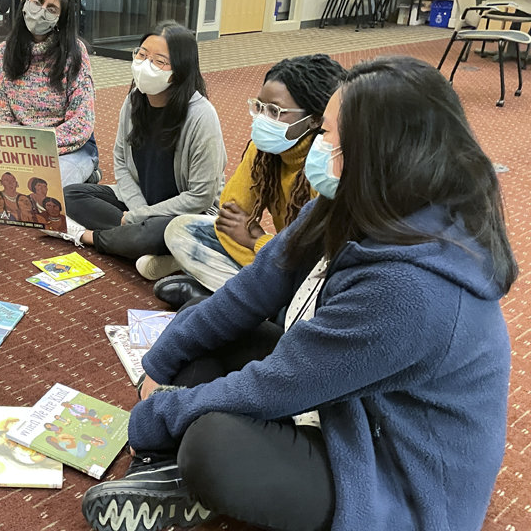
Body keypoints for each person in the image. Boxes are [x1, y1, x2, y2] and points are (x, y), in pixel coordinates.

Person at [81, 57, 515, 531]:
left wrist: (157, 414)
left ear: (379, 153)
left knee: (213, 444)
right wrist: (159, 365)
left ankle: (178, 473)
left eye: (329, 135)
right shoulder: (345, 202)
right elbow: (248, 291)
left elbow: (278, 384)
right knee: (205, 331)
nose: (318, 146)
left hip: (396, 477)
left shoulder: (412, 289)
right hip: (350, 405)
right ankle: (172, 475)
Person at [156, 55, 346, 308]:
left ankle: (247, 302)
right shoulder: (267, 151)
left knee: (313, 284)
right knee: (182, 230)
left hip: (311, 268)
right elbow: (231, 210)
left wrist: (257, 240)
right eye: (259, 107)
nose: (262, 119)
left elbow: (315, 255)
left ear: (313, 119)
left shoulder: (325, 164)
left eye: (274, 111)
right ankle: (258, 302)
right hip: (281, 257)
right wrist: (260, 147)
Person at [48, 21, 226, 281]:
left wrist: (139, 217)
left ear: (179, 70)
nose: (145, 64)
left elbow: (200, 196)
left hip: (184, 213)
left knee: (155, 232)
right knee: (70, 194)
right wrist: (137, 211)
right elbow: (120, 161)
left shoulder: (201, 116)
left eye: (159, 61)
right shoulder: (134, 101)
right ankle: (165, 253)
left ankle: (88, 237)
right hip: (140, 201)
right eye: (142, 54)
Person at [0, 0, 99, 187]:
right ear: (26, 3)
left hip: (71, 147)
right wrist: (25, 152)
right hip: (21, 150)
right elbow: (0, 119)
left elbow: (81, 124)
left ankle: (85, 174)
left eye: (52, 9)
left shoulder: (75, 53)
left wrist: (38, 149)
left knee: (44, 189)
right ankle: (82, 181)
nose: (41, 11)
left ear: (60, 19)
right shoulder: (2, 54)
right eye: (38, 2)